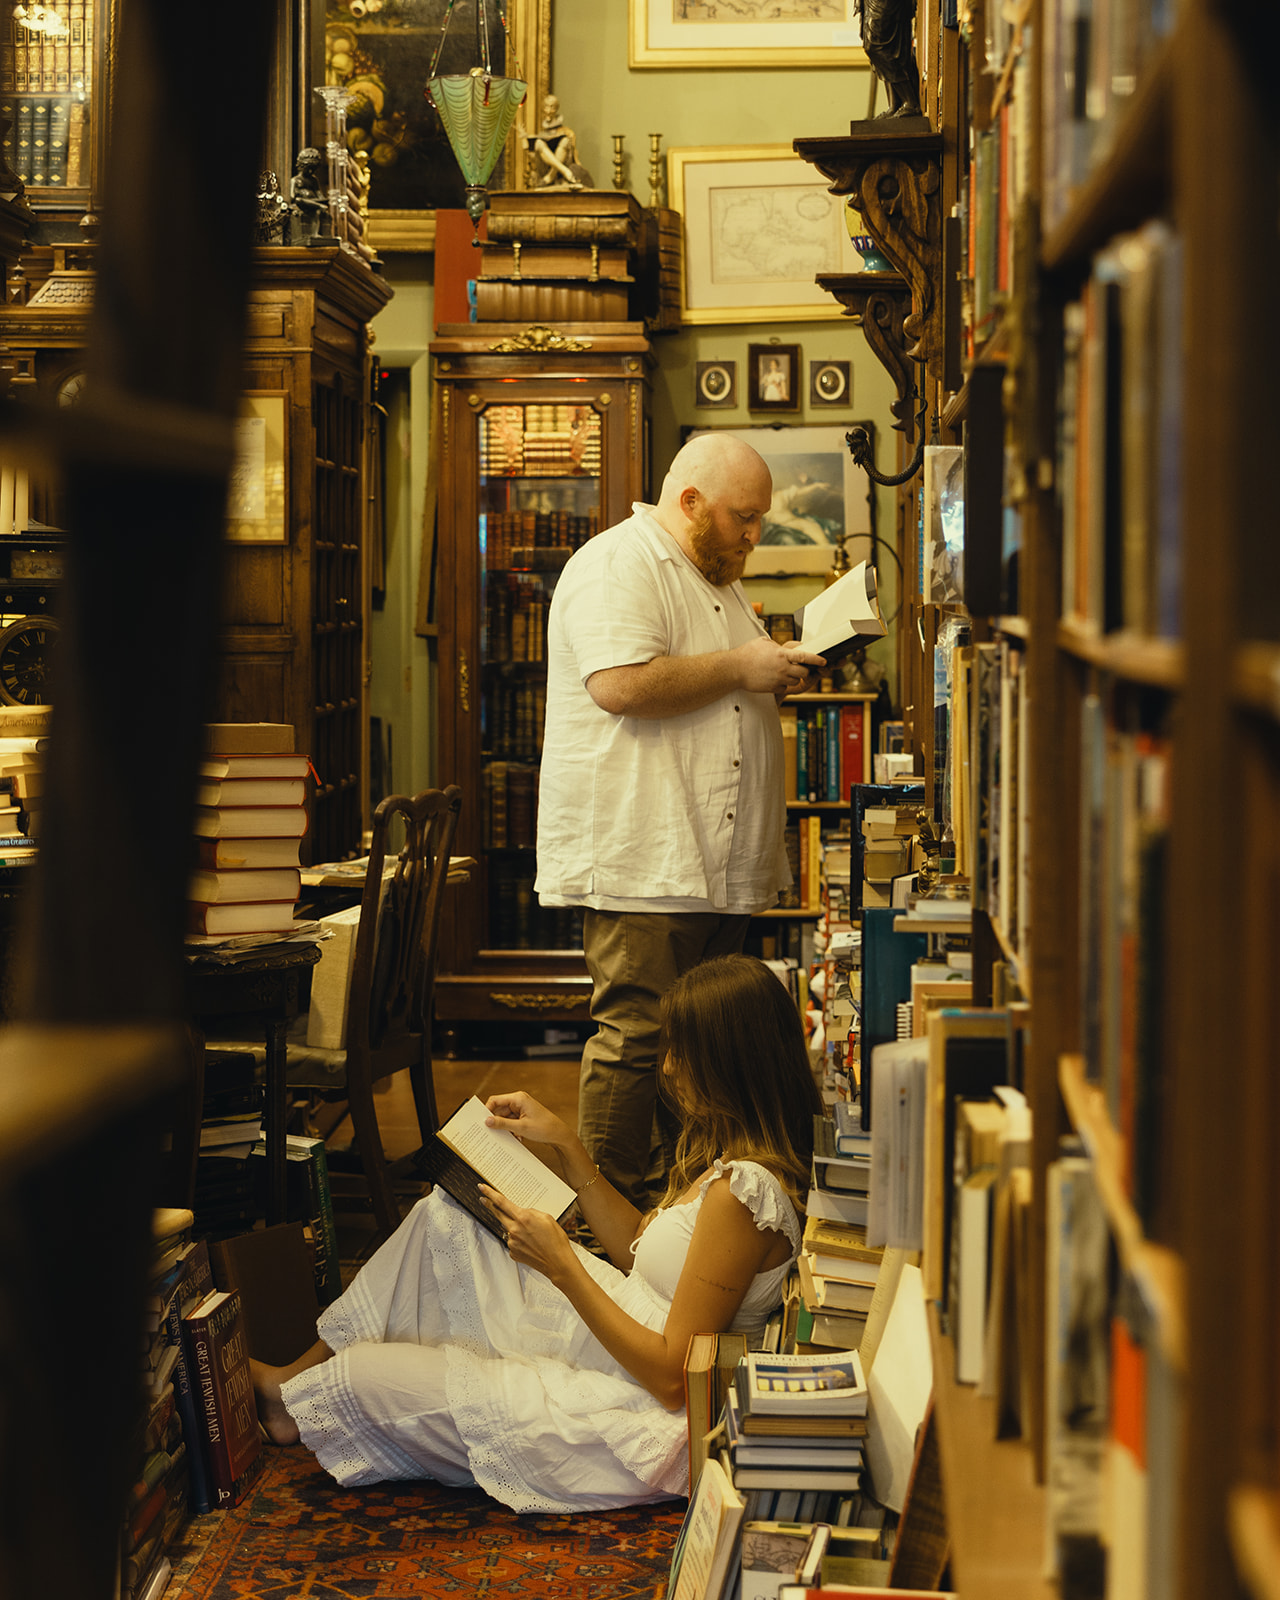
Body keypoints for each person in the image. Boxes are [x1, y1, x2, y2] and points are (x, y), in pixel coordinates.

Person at [251, 954, 822, 1512]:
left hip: (636, 1399)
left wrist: (563, 1266)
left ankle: (341, 1380)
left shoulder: (744, 1195)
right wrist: (567, 1147)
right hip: (618, 1330)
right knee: (447, 1216)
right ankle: (292, 1383)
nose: (668, 1068)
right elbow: (639, 1255)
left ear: (728, 1061)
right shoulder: (735, 1160)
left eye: (682, 1052)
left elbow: (673, 1380)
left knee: (363, 1381)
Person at [534, 433, 826, 1210]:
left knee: (693, 1050)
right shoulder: (616, 563)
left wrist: (769, 676)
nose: (754, 535)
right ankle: (602, 1228)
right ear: (690, 501)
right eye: (744, 517)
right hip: (647, 855)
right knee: (635, 1041)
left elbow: (717, 689)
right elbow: (621, 685)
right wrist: (741, 667)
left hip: (711, 860)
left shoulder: (714, 579)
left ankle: (669, 1222)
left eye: (761, 519)